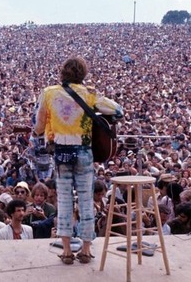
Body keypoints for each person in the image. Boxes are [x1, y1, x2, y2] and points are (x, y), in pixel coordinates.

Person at [33, 56, 123, 265]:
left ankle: (66, 251)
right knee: (86, 201)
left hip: (61, 153)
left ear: (62, 72)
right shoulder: (89, 93)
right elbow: (118, 110)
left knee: (64, 202)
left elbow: (38, 126)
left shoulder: (49, 93)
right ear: (83, 73)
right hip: (84, 152)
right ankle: (86, 250)